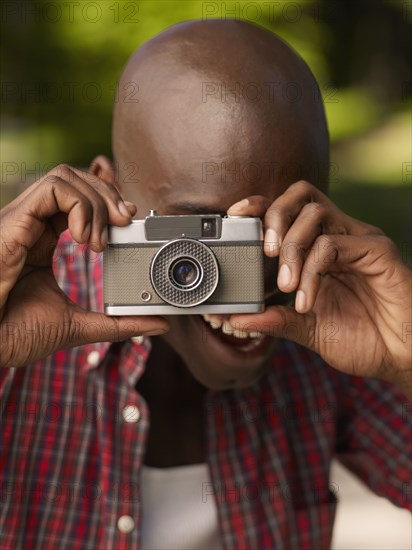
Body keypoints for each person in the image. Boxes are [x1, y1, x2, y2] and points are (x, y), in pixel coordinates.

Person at [0, 19, 410, 550]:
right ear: (110, 196)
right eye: (204, 232)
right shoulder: (23, 317)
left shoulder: (324, 309)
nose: (263, 271)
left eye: (284, 222)